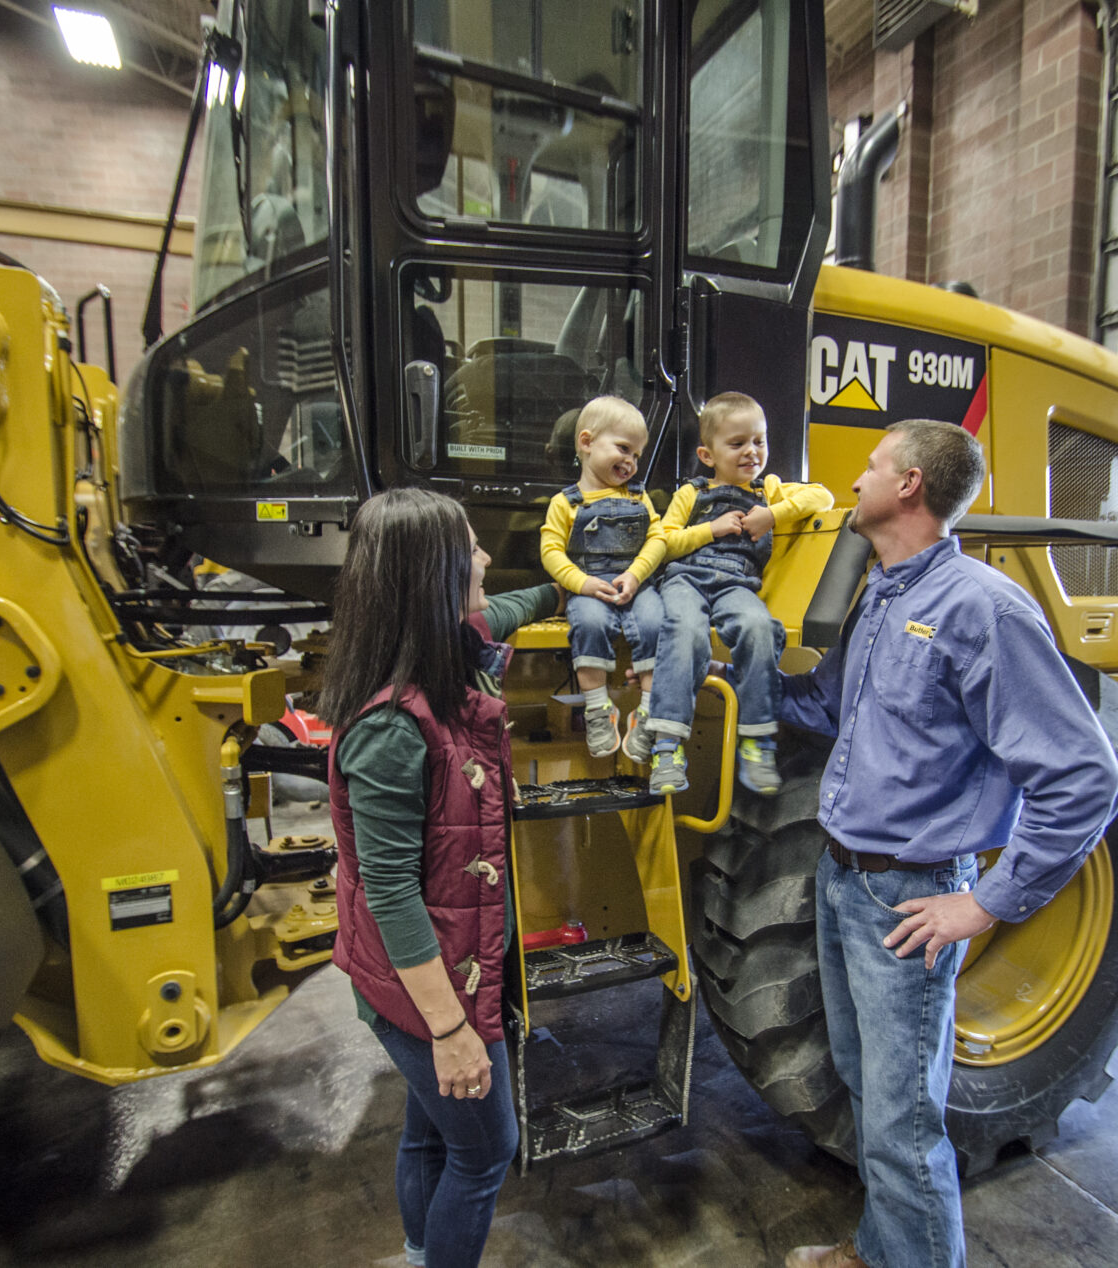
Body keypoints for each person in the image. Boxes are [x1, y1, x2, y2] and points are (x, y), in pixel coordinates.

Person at [778, 421, 1118, 1268]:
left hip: (910, 896)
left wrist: (985, 903)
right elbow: (829, 713)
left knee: (903, 1124)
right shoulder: (884, 594)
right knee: (869, 1094)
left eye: (868, 465)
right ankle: (875, 1250)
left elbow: (1086, 778)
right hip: (843, 880)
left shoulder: (981, 608)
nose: (852, 478)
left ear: (907, 485)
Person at [321, 488, 558, 1268]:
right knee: (487, 1149)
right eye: (472, 547)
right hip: (430, 992)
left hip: (450, 969)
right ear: (432, 575)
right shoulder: (393, 727)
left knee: (430, 1129)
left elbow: (515, 604)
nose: (487, 557)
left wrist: (575, 579)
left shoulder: (448, 650)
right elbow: (390, 895)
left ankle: (422, 1251)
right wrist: (454, 1034)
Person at [645, 391, 832, 796]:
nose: (752, 451)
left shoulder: (769, 493)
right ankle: (667, 745)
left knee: (759, 626)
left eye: (759, 441)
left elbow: (823, 496)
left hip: (737, 585)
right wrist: (710, 530)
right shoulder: (691, 494)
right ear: (707, 455)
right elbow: (664, 543)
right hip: (686, 580)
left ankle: (757, 741)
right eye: (737, 444)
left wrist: (772, 515)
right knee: (684, 631)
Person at [538, 396, 670, 758]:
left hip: (635, 582)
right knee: (589, 625)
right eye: (624, 448)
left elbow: (657, 540)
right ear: (586, 442)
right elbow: (551, 551)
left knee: (654, 622)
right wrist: (580, 583)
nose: (630, 461)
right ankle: (598, 709)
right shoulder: (566, 503)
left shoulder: (640, 498)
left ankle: (648, 712)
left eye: (637, 455)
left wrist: (635, 574)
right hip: (589, 584)